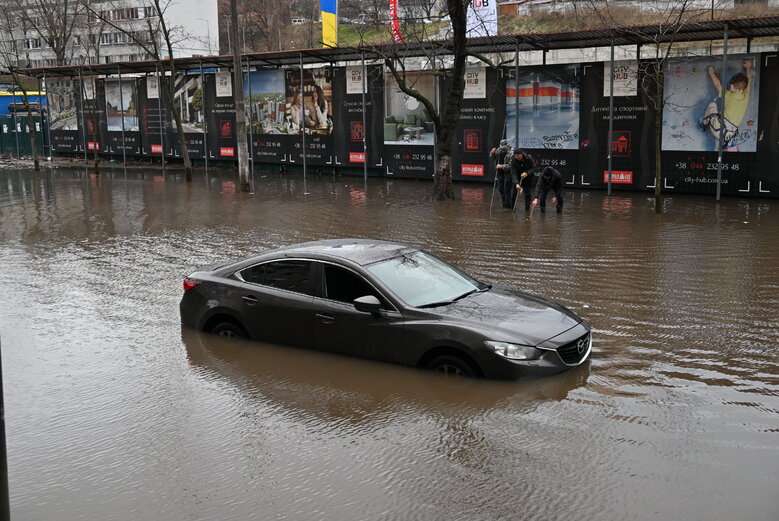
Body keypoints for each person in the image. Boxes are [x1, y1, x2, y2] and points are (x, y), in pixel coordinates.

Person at [701, 59, 753, 152]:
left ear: (736, 89)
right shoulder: (746, 95)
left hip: (718, 129)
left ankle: (703, 123)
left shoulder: (728, 95)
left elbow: (717, 84)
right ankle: (728, 145)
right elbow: (749, 82)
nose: (730, 86)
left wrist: (711, 72)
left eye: (732, 86)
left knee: (712, 105)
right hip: (730, 134)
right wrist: (748, 68)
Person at [489, 139, 512, 208]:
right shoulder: (499, 150)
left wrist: (502, 166)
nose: (503, 149)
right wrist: (492, 153)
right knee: (500, 189)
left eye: (504, 148)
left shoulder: (511, 152)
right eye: (502, 147)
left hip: (508, 174)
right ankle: (504, 205)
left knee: (507, 190)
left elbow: (511, 166)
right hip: (499, 173)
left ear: (507, 146)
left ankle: (509, 205)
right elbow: (493, 158)